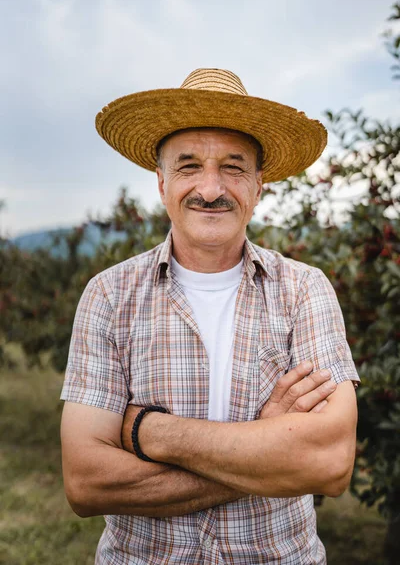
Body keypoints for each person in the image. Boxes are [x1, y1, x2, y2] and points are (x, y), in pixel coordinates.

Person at [60, 68, 360, 564]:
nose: (210, 187)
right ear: (161, 184)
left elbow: (328, 463)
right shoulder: (109, 296)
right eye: (189, 166)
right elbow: (86, 482)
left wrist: (147, 433)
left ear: (259, 185)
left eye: (234, 167)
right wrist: (266, 449)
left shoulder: (305, 290)